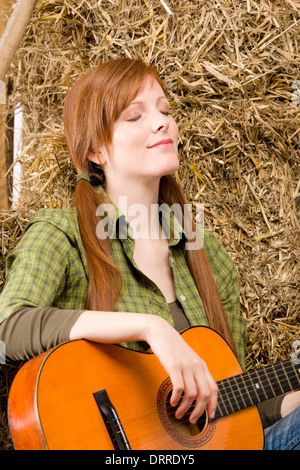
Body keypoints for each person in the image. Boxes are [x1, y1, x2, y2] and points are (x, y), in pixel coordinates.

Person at [0, 58, 299, 449]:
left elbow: (226, 405)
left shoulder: (203, 250)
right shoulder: (62, 233)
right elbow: (8, 328)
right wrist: (150, 328)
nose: (162, 123)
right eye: (135, 116)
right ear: (95, 151)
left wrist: (290, 401)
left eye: (165, 110)